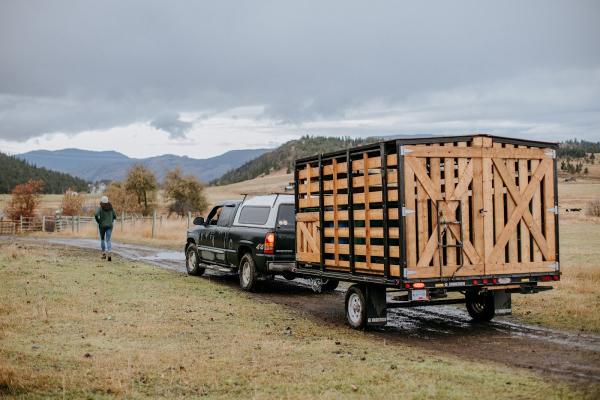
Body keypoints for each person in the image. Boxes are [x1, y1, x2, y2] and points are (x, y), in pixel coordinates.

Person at [94, 196, 117, 261]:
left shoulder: (100, 208)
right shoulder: (111, 208)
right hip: (109, 226)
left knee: (102, 239)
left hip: (102, 226)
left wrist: (98, 221)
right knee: (108, 240)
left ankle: (104, 254)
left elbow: (96, 214)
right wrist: (111, 220)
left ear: (101, 201)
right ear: (107, 201)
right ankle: (109, 252)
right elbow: (115, 216)